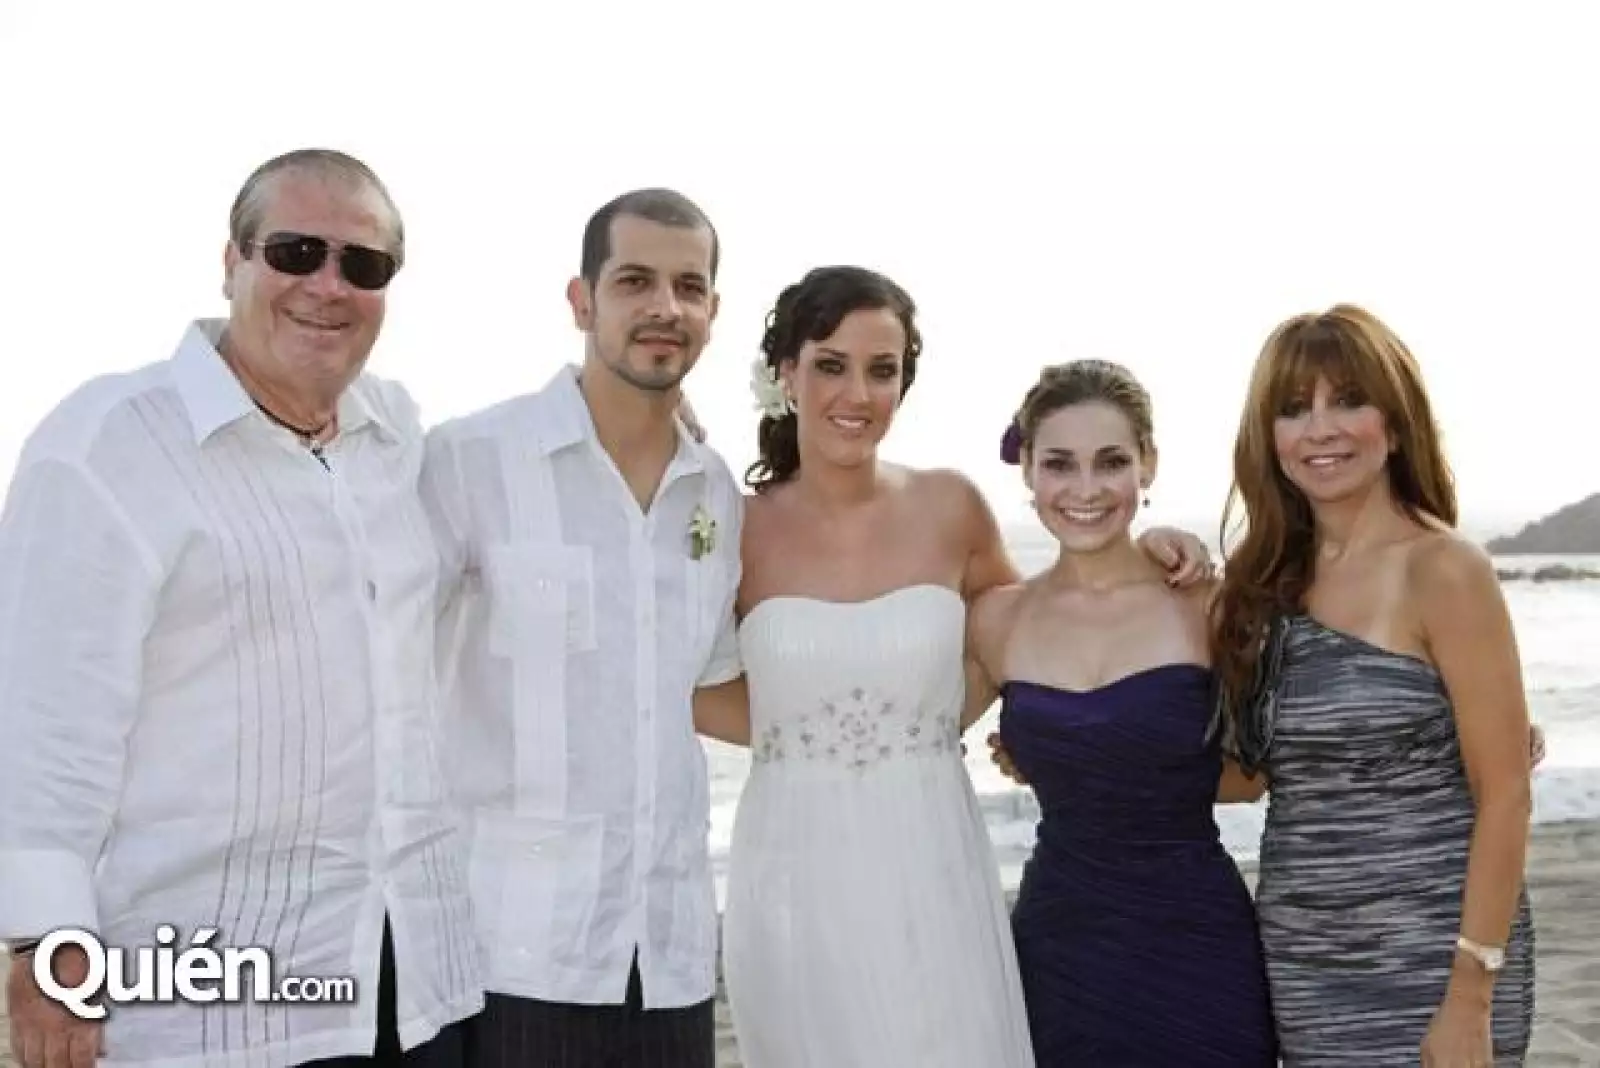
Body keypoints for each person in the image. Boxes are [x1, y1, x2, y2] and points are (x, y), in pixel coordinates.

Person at [0, 149, 482, 1068]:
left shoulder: (395, 435)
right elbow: (41, 723)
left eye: (363, 265)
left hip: (407, 982)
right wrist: (44, 940)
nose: (327, 285)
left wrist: (658, 418)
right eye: (295, 251)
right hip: (205, 1007)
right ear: (232, 262)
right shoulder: (108, 446)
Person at [716, 267, 1215, 1067]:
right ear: (786, 374)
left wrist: (1151, 555)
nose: (858, 392)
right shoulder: (731, 529)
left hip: (931, 854)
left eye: (883, 369)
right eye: (831, 364)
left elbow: (1039, 626)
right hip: (791, 865)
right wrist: (817, 738)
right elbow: (688, 685)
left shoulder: (951, 507)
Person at [420, 188, 746, 1068]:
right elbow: (373, 657)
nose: (663, 307)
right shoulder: (468, 460)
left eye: (688, 286)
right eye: (635, 280)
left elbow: (711, 688)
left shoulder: (714, 491)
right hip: (511, 954)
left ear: (713, 309)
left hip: (673, 956)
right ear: (581, 300)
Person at [1209, 304, 1536, 1066]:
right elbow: (1247, 779)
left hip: (1435, 955)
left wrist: (1471, 993)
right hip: (1304, 958)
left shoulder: (1444, 569)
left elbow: (1507, 793)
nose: (1319, 428)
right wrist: (1075, 755)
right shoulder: (1261, 587)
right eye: (1293, 410)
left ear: (1394, 424)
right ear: (1272, 440)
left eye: (1347, 400)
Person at [964, 360, 1278, 1066]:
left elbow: (1259, 772)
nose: (1084, 489)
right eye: (1059, 464)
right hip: (1061, 945)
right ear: (1030, 476)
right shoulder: (996, 620)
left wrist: (1481, 730)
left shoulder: (1211, 604)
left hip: (1198, 943)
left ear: (1148, 465)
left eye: (1111, 462)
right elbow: (896, 734)